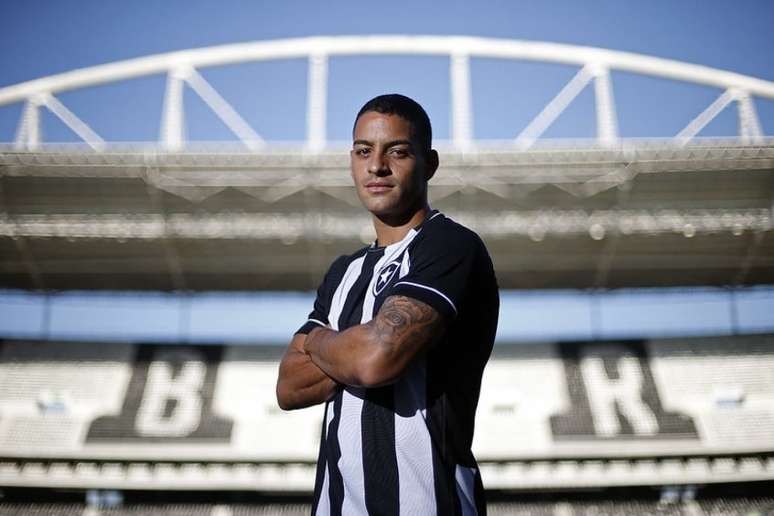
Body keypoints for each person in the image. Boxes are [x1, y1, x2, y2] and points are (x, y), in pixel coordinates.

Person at [276, 93, 499, 516]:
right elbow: (289, 387)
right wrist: (353, 346)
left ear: (429, 164)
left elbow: (375, 361)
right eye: (364, 151)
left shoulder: (450, 246)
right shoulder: (343, 271)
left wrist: (318, 340)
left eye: (396, 151)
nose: (376, 166)